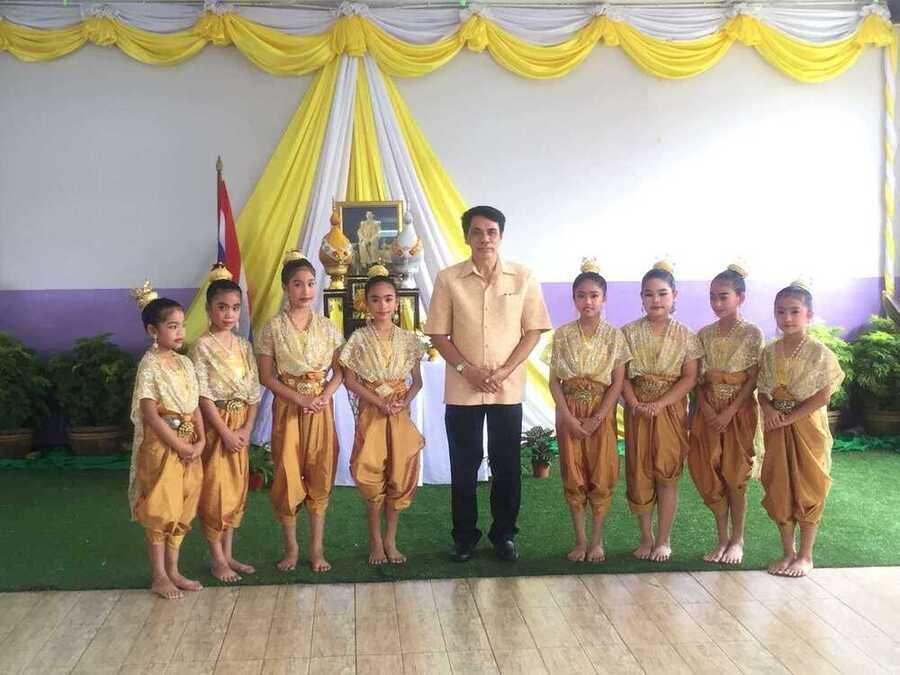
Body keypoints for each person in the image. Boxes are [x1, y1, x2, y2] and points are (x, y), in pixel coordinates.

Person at [425, 205, 552, 562]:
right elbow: (438, 334)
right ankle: (464, 537)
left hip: (505, 388)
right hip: (462, 388)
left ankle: (504, 536)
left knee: (506, 464)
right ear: (466, 237)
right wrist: (467, 370)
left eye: (491, 232)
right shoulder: (448, 279)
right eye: (477, 232)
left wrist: (505, 370)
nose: (485, 239)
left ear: (501, 236)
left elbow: (533, 331)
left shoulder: (523, 277)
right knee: (464, 465)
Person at [255, 250, 344, 573]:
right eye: (297, 284)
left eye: (310, 283)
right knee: (287, 475)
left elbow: (340, 371)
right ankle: (291, 548)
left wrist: (324, 395)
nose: (305, 291)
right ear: (285, 288)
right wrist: (299, 399)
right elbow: (266, 376)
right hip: (288, 409)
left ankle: (317, 550)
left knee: (320, 472)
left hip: (321, 409)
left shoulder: (328, 327)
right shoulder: (272, 329)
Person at [545, 259, 630, 562]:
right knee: (573, 474)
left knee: (601, 474)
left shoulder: (614, 336)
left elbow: (618, 382)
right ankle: (580, 540)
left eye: (594, 295)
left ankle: (597, 541)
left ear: (604, 298)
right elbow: (554, 381)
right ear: (574, 299)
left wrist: (598, 417)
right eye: (581, 295)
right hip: (569, 411)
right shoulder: (562, 335)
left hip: (600, 411)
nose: (588, 301)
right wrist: (567, 416)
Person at [757, 281, 843, 577]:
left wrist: (791, 417)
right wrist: (770, 410)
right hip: (775, 426)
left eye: (795, 311)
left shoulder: (820, 353)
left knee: (809, 485)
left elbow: (823, 395)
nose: (787, 318)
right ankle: (787, 552)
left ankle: (806, 555)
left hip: (807, 427)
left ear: (809, 315)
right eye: (781, 312)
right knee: (779, 485)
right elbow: (762, 391)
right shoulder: (769, 352)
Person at [340, 268, 425, 565]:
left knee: (398, 476)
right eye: (375, 299)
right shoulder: (358, 339)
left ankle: (391, 540)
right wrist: (378, 402)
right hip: (372, 414)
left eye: (388, 299)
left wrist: (402, 402)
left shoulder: (409, 340)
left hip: (399, 415)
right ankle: (375, 541)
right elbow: (351, 381)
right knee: (373, 475)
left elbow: (417, 382)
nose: (382, 305)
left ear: (396, 302)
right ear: (366, 303)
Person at [128, 282, 204, 599]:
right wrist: (179, 445)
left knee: (184, 506)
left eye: (181, 325)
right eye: (172, 326)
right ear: (153, 330)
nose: (179, 332)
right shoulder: (150, 365)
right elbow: (150, 413)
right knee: (161, 507)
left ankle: (174, 570)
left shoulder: (184, 362)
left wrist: (200, 441)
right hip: (162, 447)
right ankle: (159, 575)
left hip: (189, 443)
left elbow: (195, 404)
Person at [622, 262, 702, 562]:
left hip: (670, 412)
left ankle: (664, 539)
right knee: (639, 472)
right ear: (641, 298)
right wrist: (634, 403)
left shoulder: (686, 335)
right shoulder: (627, 333)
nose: (655, 300)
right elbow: (621, 377)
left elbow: (689, 378)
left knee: (667, 475)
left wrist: (662, 403)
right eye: (649, 294)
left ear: (674, 296)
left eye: (662, 293)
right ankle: (646, 537)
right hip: (638, 412)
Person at [189, 264, 261, 582]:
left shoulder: (243, 346)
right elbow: (203, 395)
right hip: (216, 425)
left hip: (240, 423)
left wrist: (246, 429)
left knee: (235, 490)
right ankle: (217, 559)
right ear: (209, 309)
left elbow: (254, 391)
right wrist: (225, 432)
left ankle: (229, 555)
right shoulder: (201, 346)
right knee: (215, 492)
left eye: (234, 307)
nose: (229, 314)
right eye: (222, 307)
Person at [687, 264, 763, 565]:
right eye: (713, 297)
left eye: (723, 296)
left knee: (735, 474)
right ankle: (721, 538)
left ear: (740, 297)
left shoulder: (752, 333)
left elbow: (753, 379)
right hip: (709, 413)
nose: (717, 303)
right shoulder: (704, 334)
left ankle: (738, 539)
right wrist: (707, 411)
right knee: (711, 473)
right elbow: (697, 381)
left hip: (738, 413)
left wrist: (730, 411)